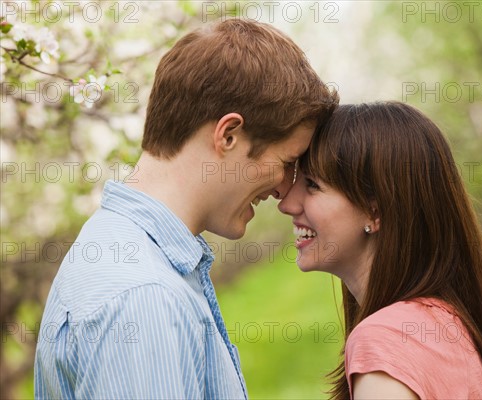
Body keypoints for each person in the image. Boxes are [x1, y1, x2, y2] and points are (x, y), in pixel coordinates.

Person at [34, 19, 338, 399]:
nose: (283, 189)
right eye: (287, 161)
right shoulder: (142, 298)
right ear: (228, 135)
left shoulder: (128, 255)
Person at [278, 102, 482, 399]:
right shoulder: (448, 323)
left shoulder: (386, 341)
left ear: (374, 211)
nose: (286, 204)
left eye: (312, 185)